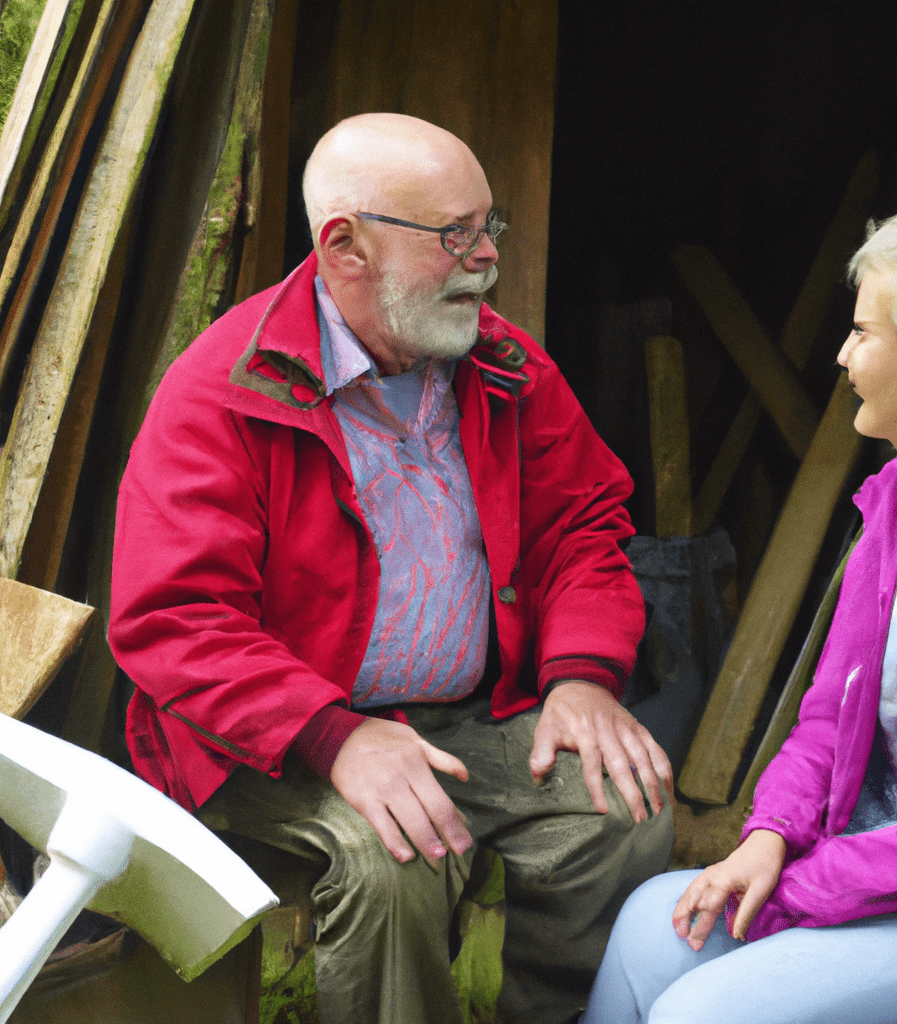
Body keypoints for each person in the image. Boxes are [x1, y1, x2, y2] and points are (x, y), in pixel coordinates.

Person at [108, 112, 675, 1024]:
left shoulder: (505, 368)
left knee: (620, 810)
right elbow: (174, 618)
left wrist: (580, 679)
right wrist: (338, 738)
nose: (487, 257)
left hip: (462, 718)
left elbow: (582, 525)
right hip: (274, 737)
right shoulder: (224, 393)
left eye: (490, 227)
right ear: (346, 246)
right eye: (456, 234)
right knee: (396, 852)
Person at [582, 204, 897, 1024]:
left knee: (704, 1014)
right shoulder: (896, 499)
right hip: (876, 861)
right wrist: (768, 837)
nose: (842, 354)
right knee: (654, 926)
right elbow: (825, 714)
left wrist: (807, 888)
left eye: (862, 332)